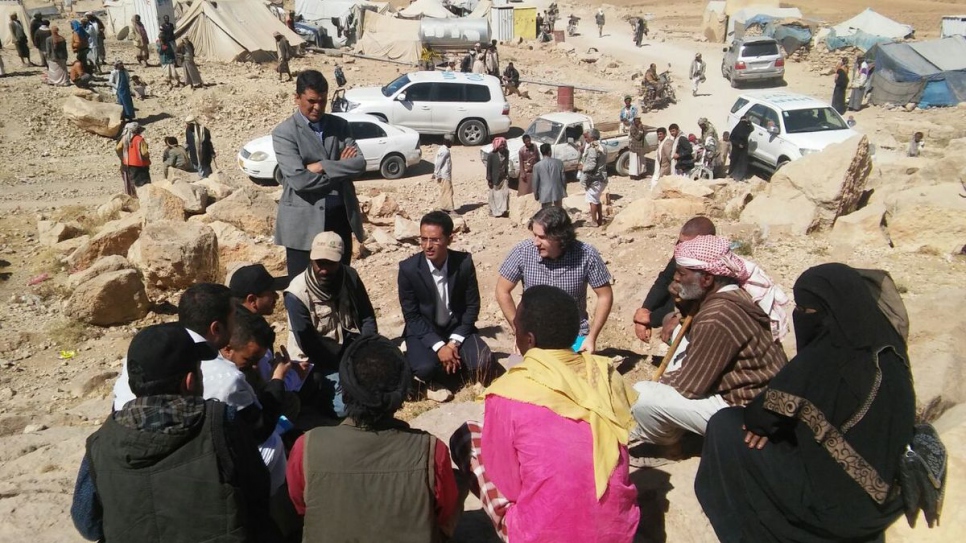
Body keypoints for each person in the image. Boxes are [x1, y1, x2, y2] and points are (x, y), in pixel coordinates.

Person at [696, 263, 915, 543]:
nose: (801, 316)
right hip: (886, 497)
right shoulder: (889, 348)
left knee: (725, 426)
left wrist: (768, 424)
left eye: (807, 310)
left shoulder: (826, 356)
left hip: (839, 510)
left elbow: (758, 417)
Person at [450, 285, 639, 542]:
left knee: (466, 436)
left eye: (515, 326)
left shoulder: (509, 392)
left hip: (540, 534)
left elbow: (509, 486)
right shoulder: (605, 374)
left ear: (529, 339)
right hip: (617, 532)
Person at [71, 323, 279, 543]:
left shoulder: (100, 443)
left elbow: (88, 524)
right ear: (189, 382)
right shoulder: (221, 422)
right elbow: (257, 490)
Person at [287, 335, 461, 542]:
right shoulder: (431, 450)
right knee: (458, 480)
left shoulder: (306, 447)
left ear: (345, 390)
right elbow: (445, 511)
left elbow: (300, 506)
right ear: (401, 394)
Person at [629, 235, 787, 457]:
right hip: (755, 394)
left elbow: (691, 386)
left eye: (682, 274)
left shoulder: (717, 316)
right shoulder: (731, 292)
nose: (675, 278)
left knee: (642, 396)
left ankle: (670, 449)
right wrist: (680, 306)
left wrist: (652, 392)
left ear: (707, 279)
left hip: (746, 411)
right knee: (676, 333)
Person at [272, 70, 366, 276]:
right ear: (297, 98)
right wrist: (339, 167)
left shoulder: (340, 125)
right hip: (304, 225)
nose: (317, 107)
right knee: (302, 288)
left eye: (322, 101)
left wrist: (322, 165)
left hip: (340, 220)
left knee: (341, 283)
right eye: (311, 101)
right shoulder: (285, 133)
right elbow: (300, 181)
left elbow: (359, 164)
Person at [398, 211, 498, 399]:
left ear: (449, 239)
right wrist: (438, 346)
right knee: (424, 368)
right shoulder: (408, 269)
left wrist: (453, 343)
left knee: (484, 362)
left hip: (456, 328)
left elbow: (472, 307)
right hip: (425, 330)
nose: (428, 246)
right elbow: (411, 316)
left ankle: (450, 370)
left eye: (435, 240)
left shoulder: (464, 263)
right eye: (423, 239)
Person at [284, 231, 377, 419]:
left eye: (331, 263)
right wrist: (346, 369)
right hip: (315, 360)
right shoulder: (296, 293)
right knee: (344, 409)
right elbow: (310, 345)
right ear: (311, 259)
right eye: (320, 263)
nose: (324, 269)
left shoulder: (349, 276)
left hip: (349, 350)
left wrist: (368, 348)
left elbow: (367, 316)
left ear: (340, 260)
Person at [497, 207, 613, 354]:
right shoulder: (523, 252)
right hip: (533, 337)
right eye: (534, 235)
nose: (536, 242)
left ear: (560, 236)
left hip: (573, 336)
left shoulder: (586, 255)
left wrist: (591, 337)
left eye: (542, 237)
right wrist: (519, 332)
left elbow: (605, 295)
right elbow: (502, 290)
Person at [633, 217, 716, 344]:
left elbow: (691, 300)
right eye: (679, 242)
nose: (680, 247)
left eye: (685, 245)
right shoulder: (684, 252)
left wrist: (651, 318)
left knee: (672, 325)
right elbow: (666, 279)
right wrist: (645, 311)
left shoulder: (709, 268)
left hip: (708, 321)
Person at [580, 128, 608, 226]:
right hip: (602, 177)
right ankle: (600, 219)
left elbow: (591, 165)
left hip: (595, 179)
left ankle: (594, 221)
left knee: (592, 199)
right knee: (596, 199)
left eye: (586, 137)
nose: (585, 139)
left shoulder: (592, 149)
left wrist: (582, 167)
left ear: (591, 137)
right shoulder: (602, 147)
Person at [116, 122, 150, 196]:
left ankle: (133, 195)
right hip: (140, 164)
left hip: (129, 163)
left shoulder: (124, 138)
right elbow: (144, 153)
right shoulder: (139, 139)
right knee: (143, 182)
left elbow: (118, 148)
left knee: (133, 182)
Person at [532, 142, 566, 207]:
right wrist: (564, 189)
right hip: (557, 190)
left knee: (546, 212)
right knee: (558, 210)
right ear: (550, 152)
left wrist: (536, 194)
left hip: (544, 193)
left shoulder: (537, 166)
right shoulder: (559, 163)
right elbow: (563, 178)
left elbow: (535, 182)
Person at [486, 136, 510, 217]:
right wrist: (489, 179)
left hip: (503, 177)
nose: (502, 147)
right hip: (494, 178)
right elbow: (489, 168)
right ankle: (493, 210)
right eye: (501, 145)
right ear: (497, 146)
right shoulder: (491, 155)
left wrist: (507, 174)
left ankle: (503, 210)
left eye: (503, 145)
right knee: (494, 195)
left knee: (505, 193)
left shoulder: (507, 152)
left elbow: (506, 164)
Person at [432, 134, 454, 212]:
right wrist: (435, 173)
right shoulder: (444, 151)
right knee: (447, 191)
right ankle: (448, 209)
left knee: (445, 191)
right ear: (448, 142)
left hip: (443, 174)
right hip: (444, 175)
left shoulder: (441, 149)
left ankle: (445, 207)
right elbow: (439, 163)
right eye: (451, 142)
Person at [729, 116, 753, 181]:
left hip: (744, 149)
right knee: (734, 162)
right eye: (742, 122)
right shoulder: (736, 130)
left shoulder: (746, 128)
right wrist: (738, 144)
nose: (743, 124)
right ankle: (731, 175)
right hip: (736, 149)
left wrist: (749, 122)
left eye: (744, 122)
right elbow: (731, 138)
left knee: (742, 163)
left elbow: (752, 129)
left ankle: (740, 176)